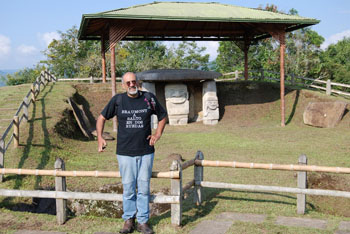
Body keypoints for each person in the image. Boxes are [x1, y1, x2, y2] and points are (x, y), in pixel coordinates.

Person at [96, 72, 167, 234]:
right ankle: (128, 220)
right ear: (123, 85)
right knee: (128, 188)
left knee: (143, 188)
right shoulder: (118, 100)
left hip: (145, 152)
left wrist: (157, 134)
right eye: (128, 83)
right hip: (125, 152)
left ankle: (142, 222)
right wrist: (100, 138)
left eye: (133, 82)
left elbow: (162, 116)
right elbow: (101, 118)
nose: (131, 85)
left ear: (138, 82)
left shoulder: (149, 98)